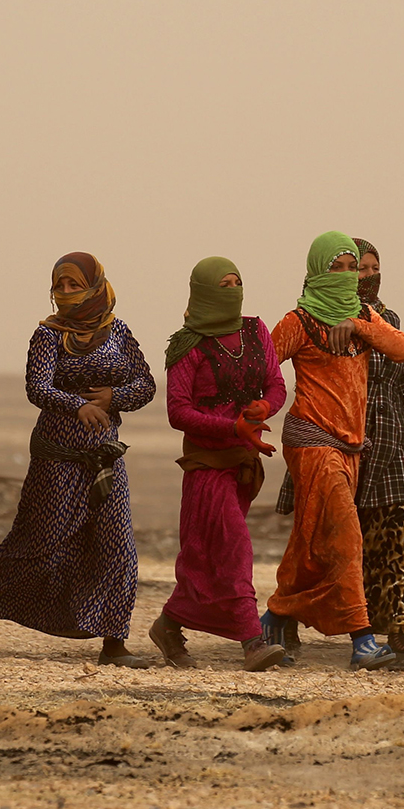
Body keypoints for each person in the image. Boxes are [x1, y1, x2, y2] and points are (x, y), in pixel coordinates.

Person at [0, 253, 156, 666]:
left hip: (104, 460)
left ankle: (114, 642)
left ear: (96, 287)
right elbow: (37, 387)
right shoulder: (48, 335)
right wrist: (76, 405)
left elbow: (146, 385)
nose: (66, 293)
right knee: (42, 545)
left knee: (117, 544)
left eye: (75, 285)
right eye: (60, 286)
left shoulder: (119, 332)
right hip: (57, 459)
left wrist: (113, 397)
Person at [262, 232, 404, 670]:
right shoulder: (300, 320)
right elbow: (264, 367)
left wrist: (360, 326)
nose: (347, 276)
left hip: (351, 446)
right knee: (348, 535)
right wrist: (254, 415)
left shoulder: (364, 315)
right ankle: (362, 638)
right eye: (338, 268)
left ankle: (274, 617)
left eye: (352, 268)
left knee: (309, 540)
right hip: (312, 441)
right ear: (317, 271)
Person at [149, 257, 288, 672]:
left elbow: (276, 384)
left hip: (245, 463)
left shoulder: (255, 331)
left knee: (207, 556)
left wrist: (265, 407)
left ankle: (169, 624)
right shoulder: (187, 345)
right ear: (203, 291)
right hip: (207, 464)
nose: (232, 291)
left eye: (237, 283)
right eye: (223, 285)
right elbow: (178, 411)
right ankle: (252, 641)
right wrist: (232, 427)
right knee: (234, 546)